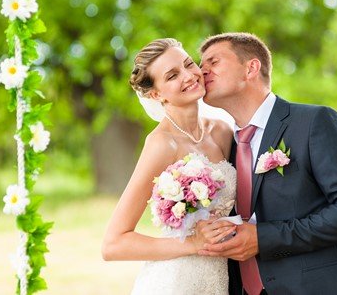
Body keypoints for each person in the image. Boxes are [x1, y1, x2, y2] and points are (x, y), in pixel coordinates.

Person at [197, 32, 337, 295]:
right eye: (201, 65)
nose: (201, 71)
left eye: (213, 62)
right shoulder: (224, 147)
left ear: (251, 68)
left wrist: (263, 238)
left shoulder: (315, 121)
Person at [101, 38, 239, 294]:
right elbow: (113, 244)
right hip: (177, 279)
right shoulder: (162, 144)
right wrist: (192, 244)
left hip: (222, 276)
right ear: (156, 94)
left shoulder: (221, 131)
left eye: (188, 64)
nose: (189, 76)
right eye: (173, 75)